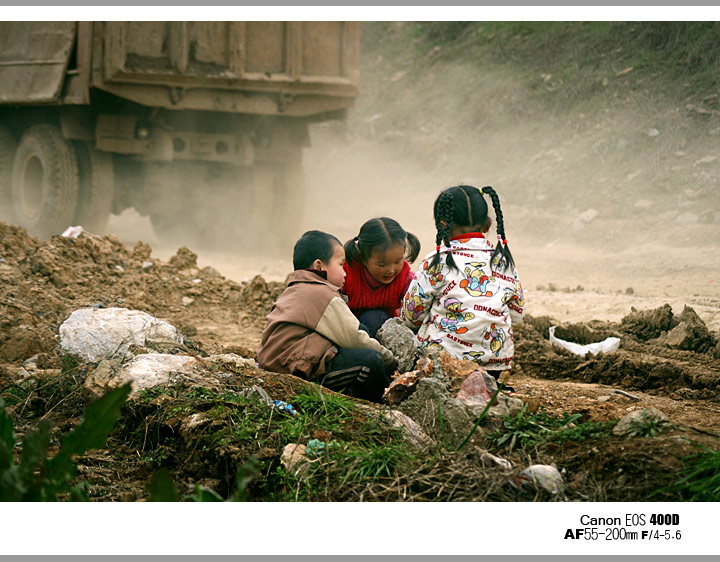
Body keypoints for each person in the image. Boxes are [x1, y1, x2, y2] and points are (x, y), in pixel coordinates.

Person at [399, 185, 525, 387]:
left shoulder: (437, 261)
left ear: (442, 225)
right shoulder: (502, 261)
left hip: (443, 364)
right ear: (488, 224)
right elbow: (517, 316)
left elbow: (410, 315)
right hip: (494, 366)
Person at [257, 230, 396, 403]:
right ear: (319, 267)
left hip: (282, 363)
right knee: (372, 361)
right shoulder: (322, 294)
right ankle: (387, 404)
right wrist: (391, 361)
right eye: (341, 264)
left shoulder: (296, 289)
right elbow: (354, 338)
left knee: (363, 334)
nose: (345, 272)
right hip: (294, 372)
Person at [342, 217, 421, 337]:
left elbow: (420, 300)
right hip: (349, 329)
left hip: (385, 331)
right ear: (362, 258)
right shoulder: (346, 274)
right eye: (382, 264)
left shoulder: (405, 278)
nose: (391, 270)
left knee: (373, 318)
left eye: (398, 261)